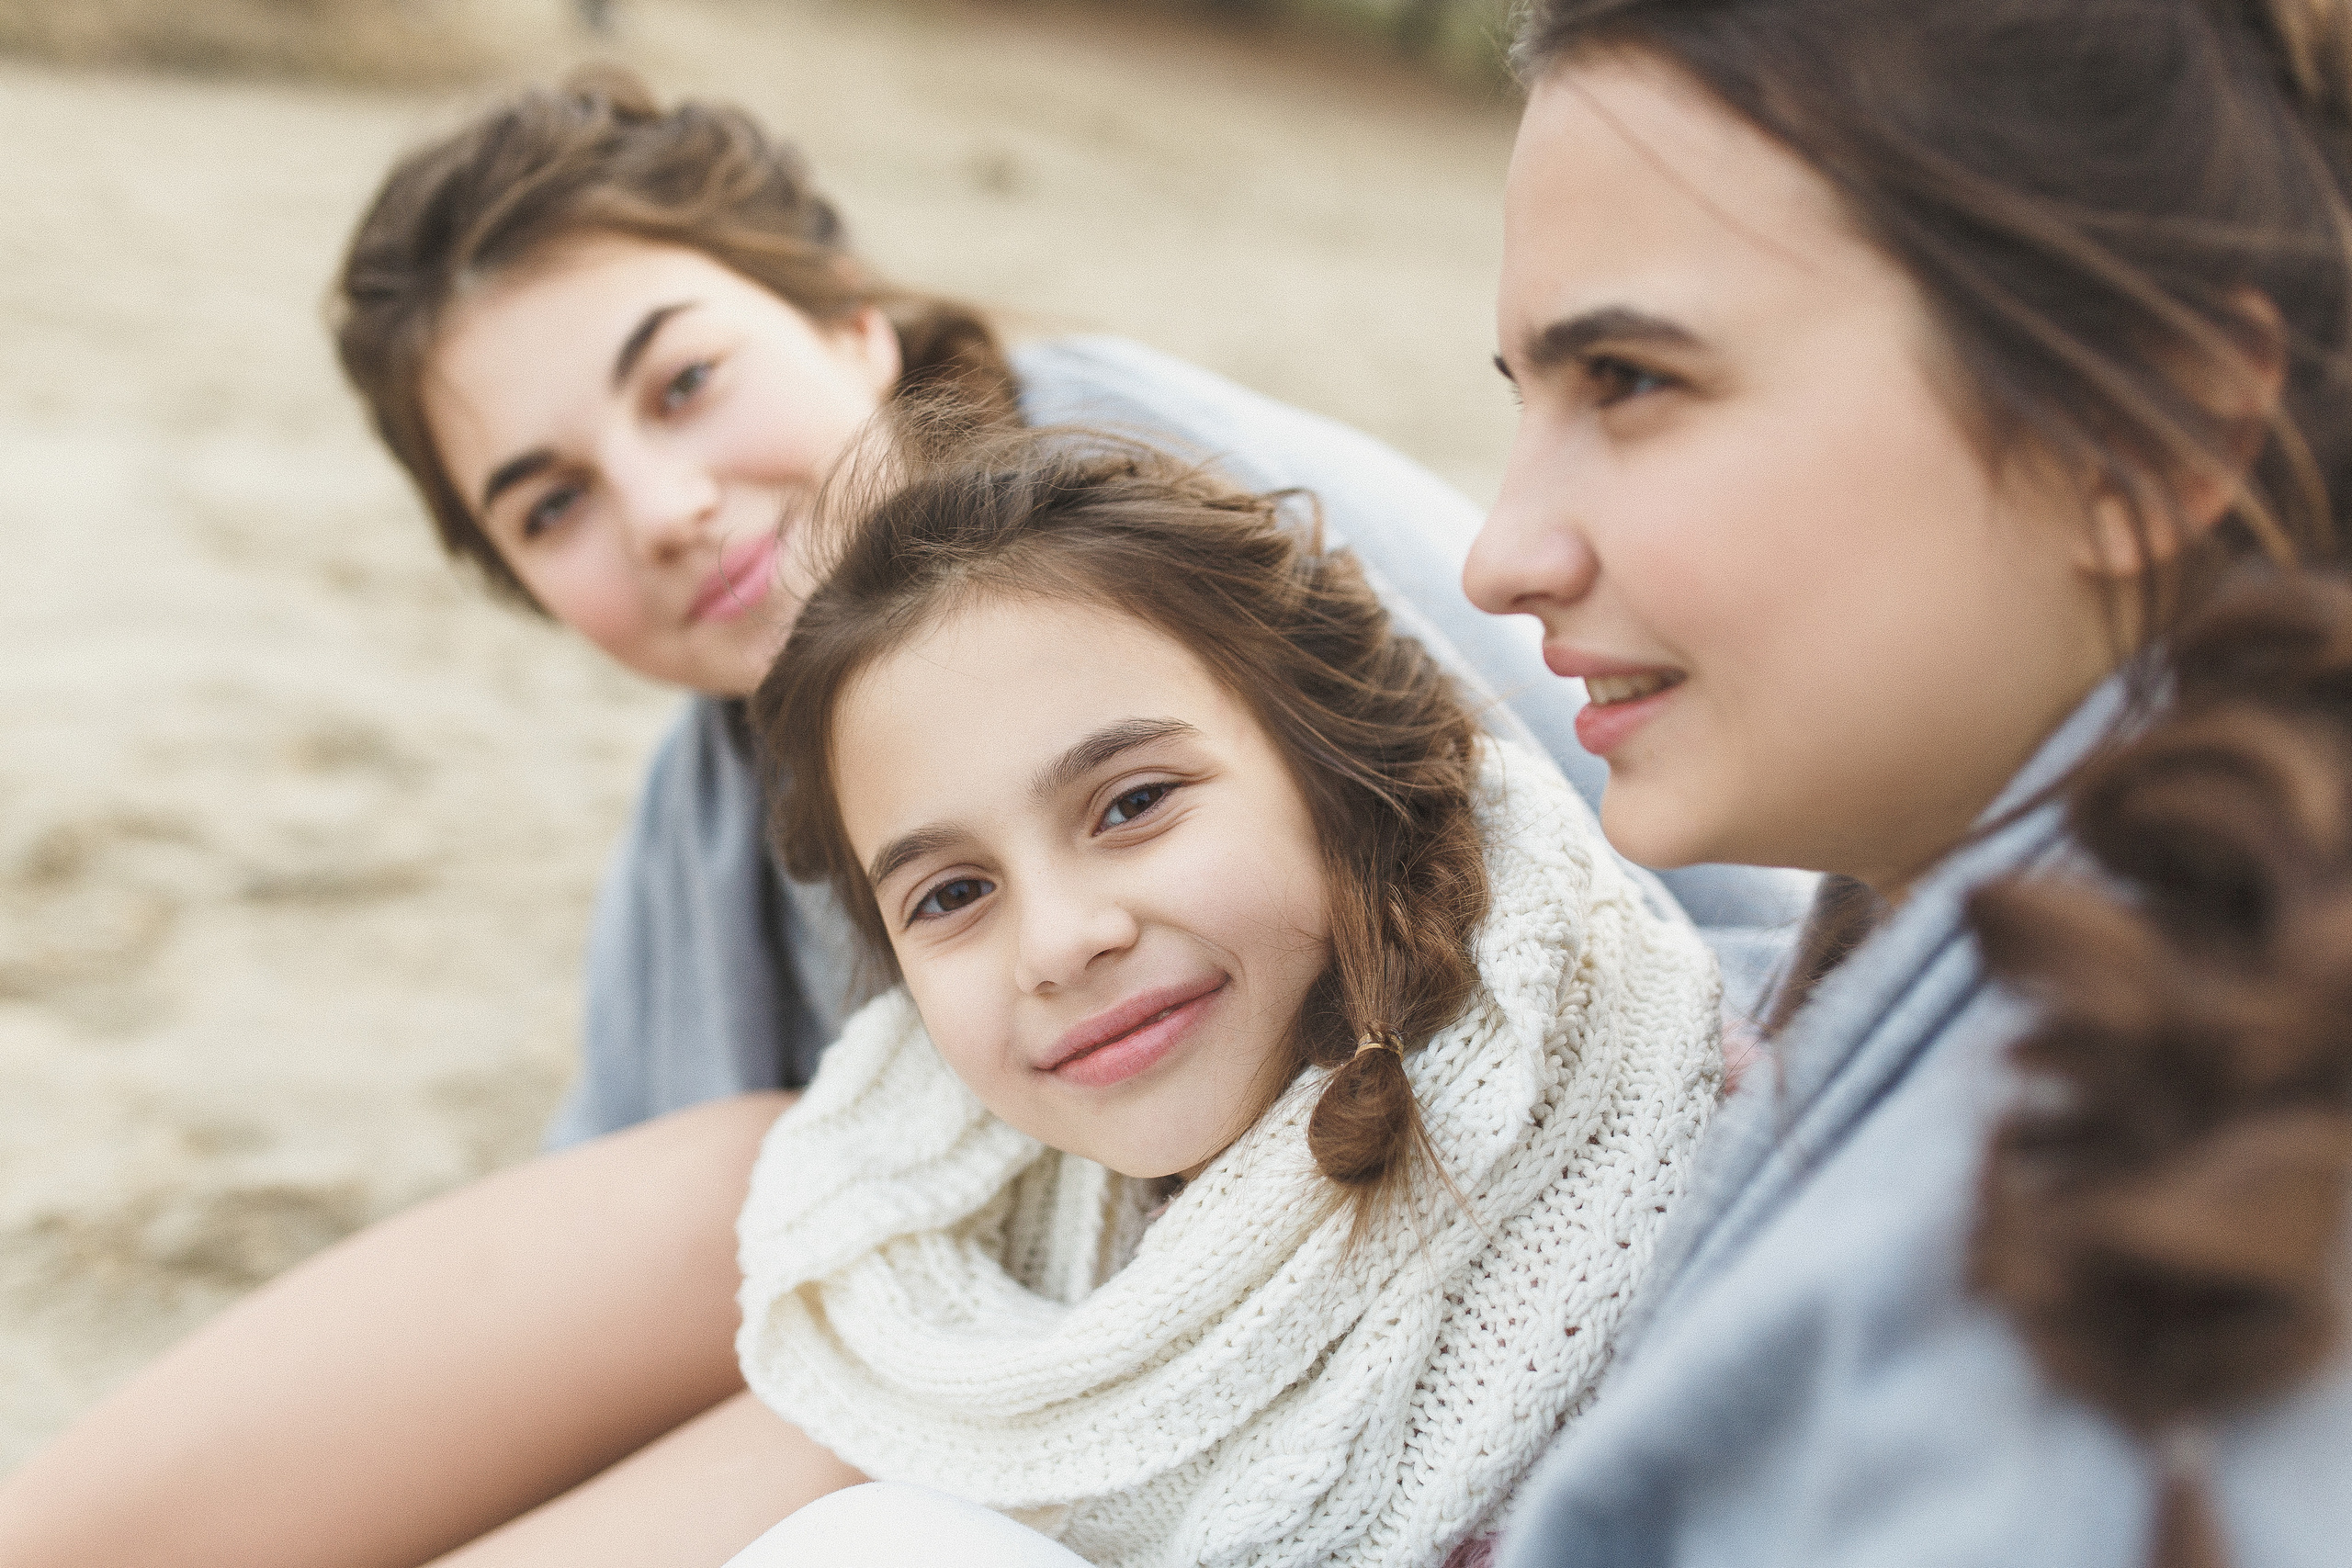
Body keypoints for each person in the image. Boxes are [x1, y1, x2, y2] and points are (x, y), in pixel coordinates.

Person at [0, 432, 1725, 1566]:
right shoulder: (997, 1257)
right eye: (952, 895)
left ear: (1335, 771)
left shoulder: (1654, 1149)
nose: (1059, 939)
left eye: (1133, 803)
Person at [330, 64, 1810, 1154]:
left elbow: (1664, 918)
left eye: (686, 384)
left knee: (708, 1190)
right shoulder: (709, 786)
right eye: (549, 506)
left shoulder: (1138, 517)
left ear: (854, 323)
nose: (661, 509)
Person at [1455, 2, 2352, 1564]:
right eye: (1526, 396)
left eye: (1634, 379)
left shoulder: (2122, 1324)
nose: (1499, 557)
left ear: (2140, 432)